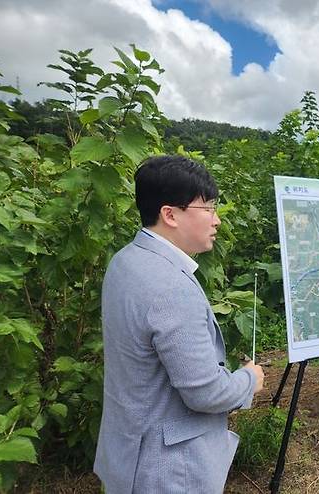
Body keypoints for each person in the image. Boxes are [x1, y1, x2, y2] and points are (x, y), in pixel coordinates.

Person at [94, 155, 265, 493]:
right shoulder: (170, 286)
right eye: (208, 209)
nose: (216, 221)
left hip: (128, 452)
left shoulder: (126, 260)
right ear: (169, 214)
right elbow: (206, 393)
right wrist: (249, 380)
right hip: (167, 470)